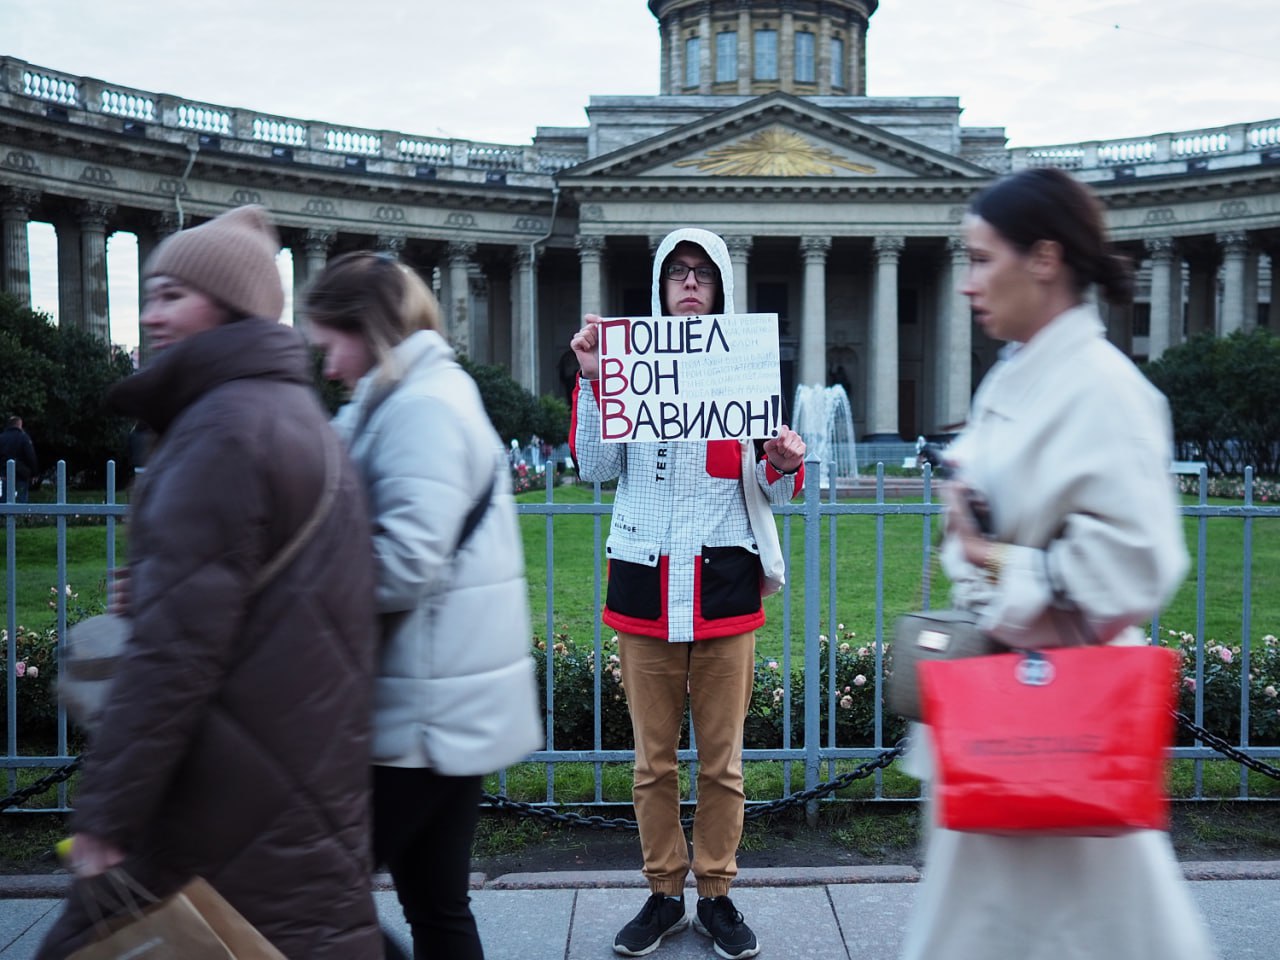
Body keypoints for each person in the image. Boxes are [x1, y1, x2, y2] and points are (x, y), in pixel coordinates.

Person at [36, 206, 383, 960]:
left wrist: (102, 817)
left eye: (172, 295)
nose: (150, 313)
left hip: (221, 801)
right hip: (297, 779)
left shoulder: (221, 432)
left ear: (230, 305)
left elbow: (173, 657)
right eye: (151, 293)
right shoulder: (296, 418)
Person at [898, 168, 1217, 960]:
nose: (968, 283)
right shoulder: (1020, 373)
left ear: (1043, 258)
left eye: (981, 259)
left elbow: (1140, 564)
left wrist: (993, 558)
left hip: (1057, 720)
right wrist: (973, 525)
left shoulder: (1106, 389)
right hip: (1002, 722)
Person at [569, 228, 806, 960]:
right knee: (652, 761)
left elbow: (771, 487)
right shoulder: (631, 365)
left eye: (703, 272)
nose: (691, 283)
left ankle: (717, 894)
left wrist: (786, 461)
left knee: (722, 762)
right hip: (644, 578)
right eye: (679, 272)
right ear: (660, 287)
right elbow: (598, 469)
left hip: (722, 583)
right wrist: (590, 378)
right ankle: (664, 892)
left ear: (722, 287)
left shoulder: (746, 369)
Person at [301, 251, 541, 960]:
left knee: (310, 901)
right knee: (437, 906)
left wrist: (290, 589)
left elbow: (404, 564)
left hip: (421, 713)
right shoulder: (404, 398)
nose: (328, 367)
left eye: (330, 344)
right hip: (440, 703)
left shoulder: (421, 407)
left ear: (368, 328)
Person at [0, 415, 38, 502]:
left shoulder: (1, 438)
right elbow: (30, 456)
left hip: (4, 475)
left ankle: (4, 515)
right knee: (21, 500)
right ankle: (21, 515)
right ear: (19, 424)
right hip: (21, 475)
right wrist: (34, 473)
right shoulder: (24, 437)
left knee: (4, 501)